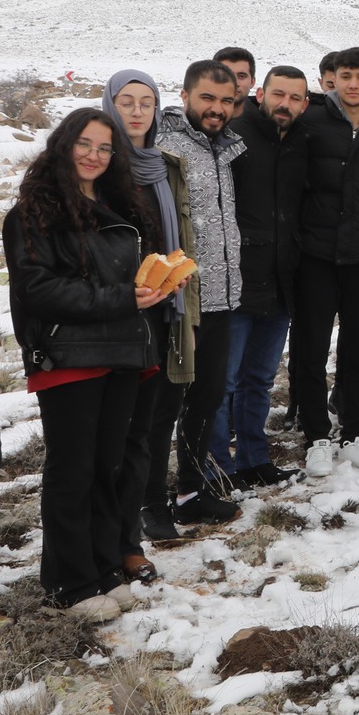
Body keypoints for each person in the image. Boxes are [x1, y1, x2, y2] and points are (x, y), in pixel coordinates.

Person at [2, 108, 168, 624]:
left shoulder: (121, 204)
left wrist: (158, 284)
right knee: (72, 469)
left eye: (104, 148)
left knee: (106, 465)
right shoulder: (33, 211)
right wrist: (122, 298)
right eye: (84, 144)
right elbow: (37, 289)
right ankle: (68, 584)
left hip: (122, 350)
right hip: (68, 354)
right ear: (63, 145)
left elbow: (125, 277)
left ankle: (103, 569)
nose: (94, 156)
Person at [100, 70, 199, 567]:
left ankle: (143, 517)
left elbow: (178, 233)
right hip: (116, 313)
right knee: (119, 425)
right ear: (108, 105)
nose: (137, 112)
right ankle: (113, 530)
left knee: (155, 416)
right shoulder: (98, 166)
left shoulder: (164, 166)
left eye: (147, 102)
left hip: (164, 308)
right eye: (126, 101)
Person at [288, 47, 359, 470]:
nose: (354, 84)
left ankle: (354, 433)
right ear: (333, 78)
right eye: (346, 76)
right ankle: (317, 436)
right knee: (311, 349)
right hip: (316, 255)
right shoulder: (311, 121)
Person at [210, 64, 310, 489]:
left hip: (282, 282)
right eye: (278, 94)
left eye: (294, 97)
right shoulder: (233, 137)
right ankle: (217, 467)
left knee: (259, 380)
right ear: (260, 94)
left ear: (305, 104)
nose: (285, 104)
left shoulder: (303, 141)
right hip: (236, 280)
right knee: (222, 382)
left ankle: (254, 459)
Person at [154, 61, 245, 517]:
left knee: (207, 398)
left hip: (222, 296)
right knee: (166, 404)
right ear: (186, 95)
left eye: (227, 101)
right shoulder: (163, 145)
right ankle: (150, 500)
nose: (217, 109)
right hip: (179, 298)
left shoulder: (225, 146)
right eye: (208, 98)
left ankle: (190, 490)